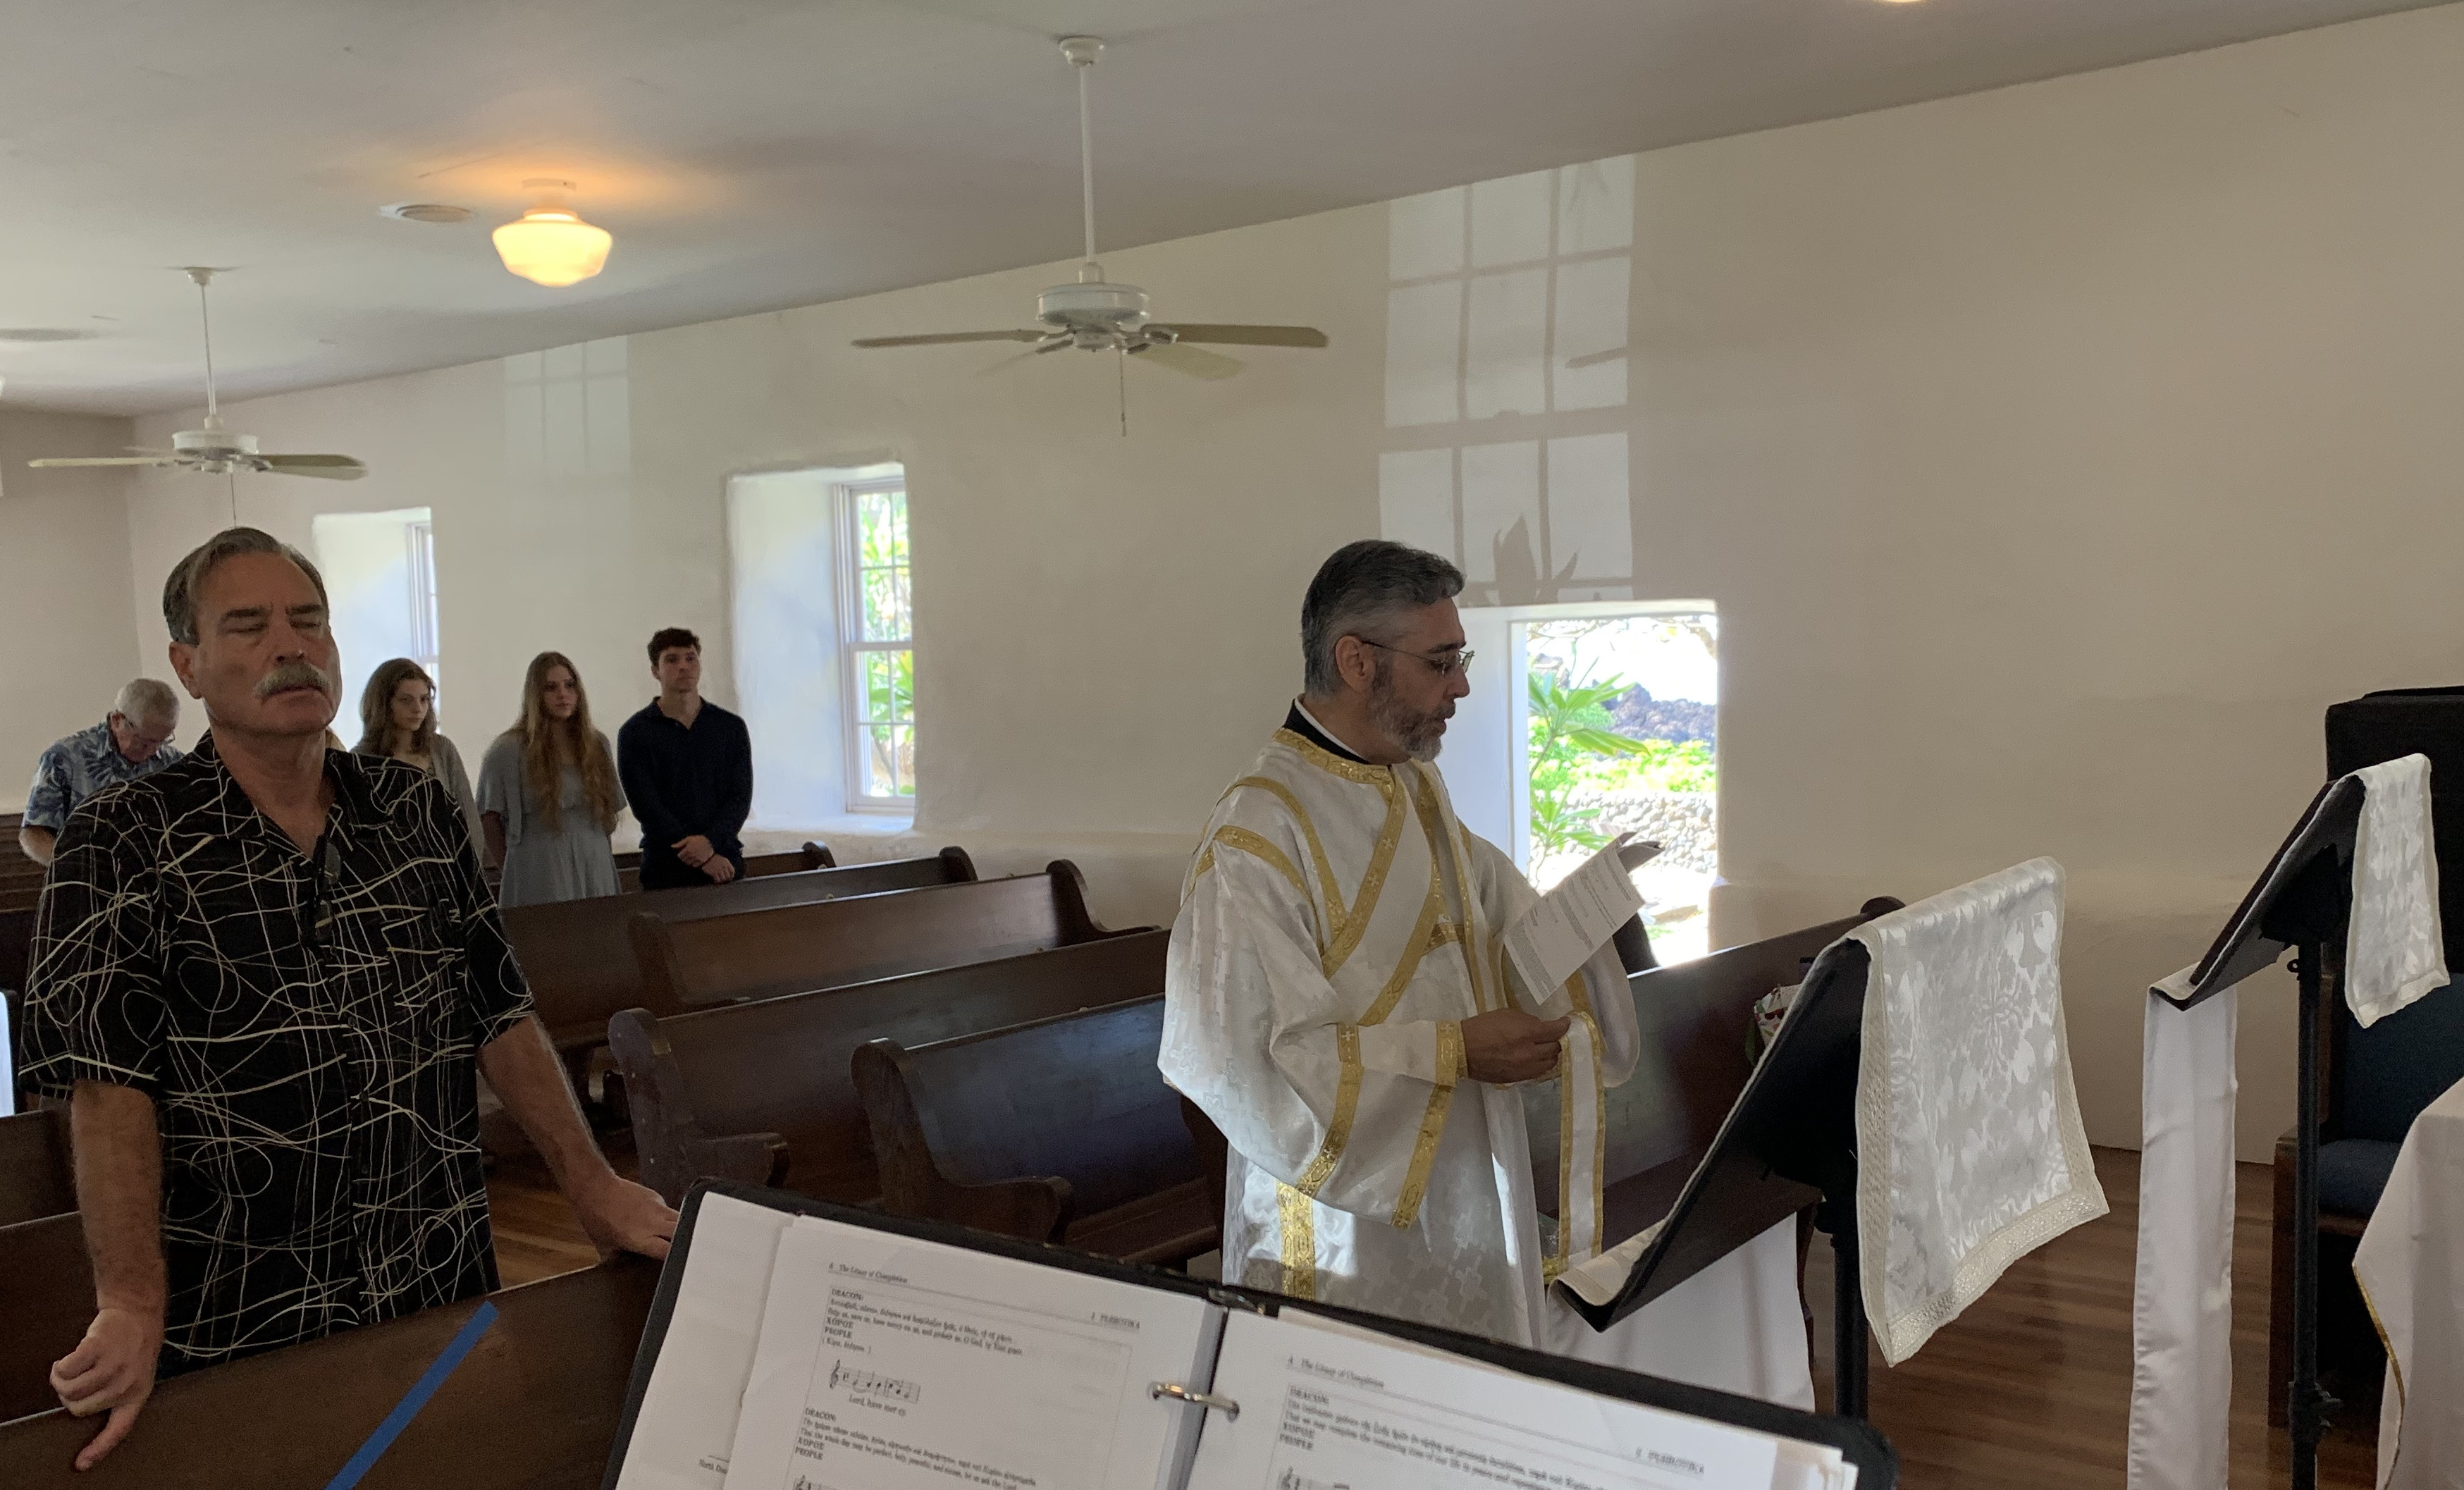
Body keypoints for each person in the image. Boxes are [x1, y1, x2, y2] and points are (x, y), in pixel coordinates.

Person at [20, 527, 674, 1471]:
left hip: (433, 1261)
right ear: (188, 664)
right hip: (242, 1292)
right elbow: (107, 1084)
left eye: (309, 621)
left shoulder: (414, 812)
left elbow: (497, 1010)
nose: (289, 645)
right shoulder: (121, 837)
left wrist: (593, 1183)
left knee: (460, 1465)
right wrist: (128, 1297)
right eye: (247, 626)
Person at [1159, 539, 1642, 1352]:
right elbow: (1243, 1061)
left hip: (1461, 1182)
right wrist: (1453, 1049)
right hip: (1334, 1220)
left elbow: (1501, 932)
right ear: (1356, 660)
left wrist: (1589, 920)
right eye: (1440, 661)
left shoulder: (1412, 784)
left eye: (1460, 657)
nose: (1460, 684)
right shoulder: (1257, 833)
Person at [477, 652, 627, 907]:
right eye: (551, 688)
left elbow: (607, 813)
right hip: (539, 863)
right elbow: (488, 817)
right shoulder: (508, 749)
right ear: (536, 695)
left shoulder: (596, 744)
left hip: (594, 857)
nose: (563, 694)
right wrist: (512, 869)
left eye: (569, 685)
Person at [615, 627, 753, 890]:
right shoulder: (635, 732)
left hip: (725, 861)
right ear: (655, 670)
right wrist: (704, 858)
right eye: (672, 659)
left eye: (691, 658)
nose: (683, 667)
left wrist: (711, 844)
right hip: (666, 865)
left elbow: (740, 796)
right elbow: (646, 806)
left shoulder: (729, 727)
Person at [18, 681, 185, 867]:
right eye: (144, 742)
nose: (154, 751)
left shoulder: (174, 764)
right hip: (87, 879)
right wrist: (73, 868)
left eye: (162, 741)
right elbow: (34, 834)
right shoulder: (64, 759)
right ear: (117, 721)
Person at [353, 658, 483, 850]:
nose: (418, 709)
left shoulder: (442, 750)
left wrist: (471, 872)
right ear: (384, 704)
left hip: (446, 865)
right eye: (406, 700)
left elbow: (469, 822)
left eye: (424, 699)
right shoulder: (360, 760)